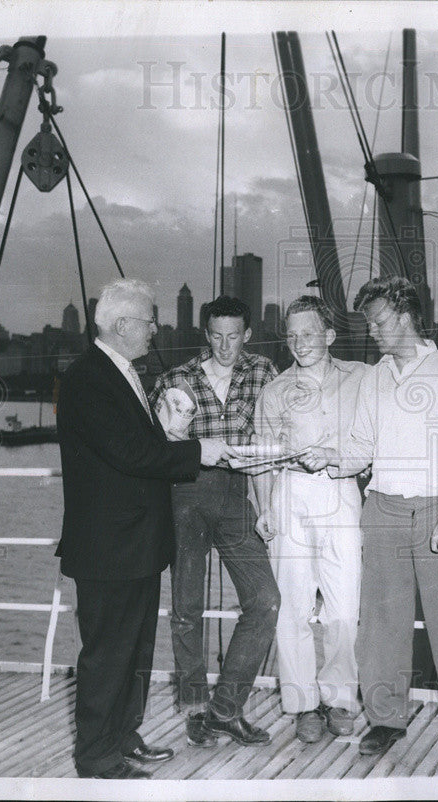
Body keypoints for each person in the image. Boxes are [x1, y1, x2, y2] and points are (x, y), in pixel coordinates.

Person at [301, 276, 438, 759]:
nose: (374, 333)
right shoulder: (375, 376)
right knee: (382, 624)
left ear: (406, 317)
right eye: (370, 324)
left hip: (436, 510)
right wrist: (332, 457)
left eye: (380, 322)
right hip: (381, 506)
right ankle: (386, 720)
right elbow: (362, 446)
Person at [56, 278, 234, 779]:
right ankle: (96, 758)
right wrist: (198, 451)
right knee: (108, 653)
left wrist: (172, 437)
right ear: (120, 325)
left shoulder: (120, 373)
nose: (156, 328)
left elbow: (136, 447)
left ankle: (122, 737)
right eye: (149, 320)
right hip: (109, 549)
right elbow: (130, 454)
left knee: (133, 648)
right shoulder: (89, 379)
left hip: (131, 544)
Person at [149, 295, 280, 748]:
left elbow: (280, 431)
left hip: (237, 491)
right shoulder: (175, 379)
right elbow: (152, 446)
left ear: (247, 335)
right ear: (206, 335)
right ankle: (195, 709)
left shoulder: (264, 372)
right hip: (186, 492)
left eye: (234, 337)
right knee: (186, 607)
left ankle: (226, 707)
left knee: (265, 600)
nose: (226, 347)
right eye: (217, 336)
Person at [253, 296, 368, 743]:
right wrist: (264, 507)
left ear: (330, 335)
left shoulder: (361, 377)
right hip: (291, 494)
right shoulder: (275, 390)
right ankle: (303, 706)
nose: (299, 342)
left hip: (340, 490)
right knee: (293, 606)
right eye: (292, 334)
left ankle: (340, 698)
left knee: (344, 605)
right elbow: (263, 458)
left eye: (308, 333)